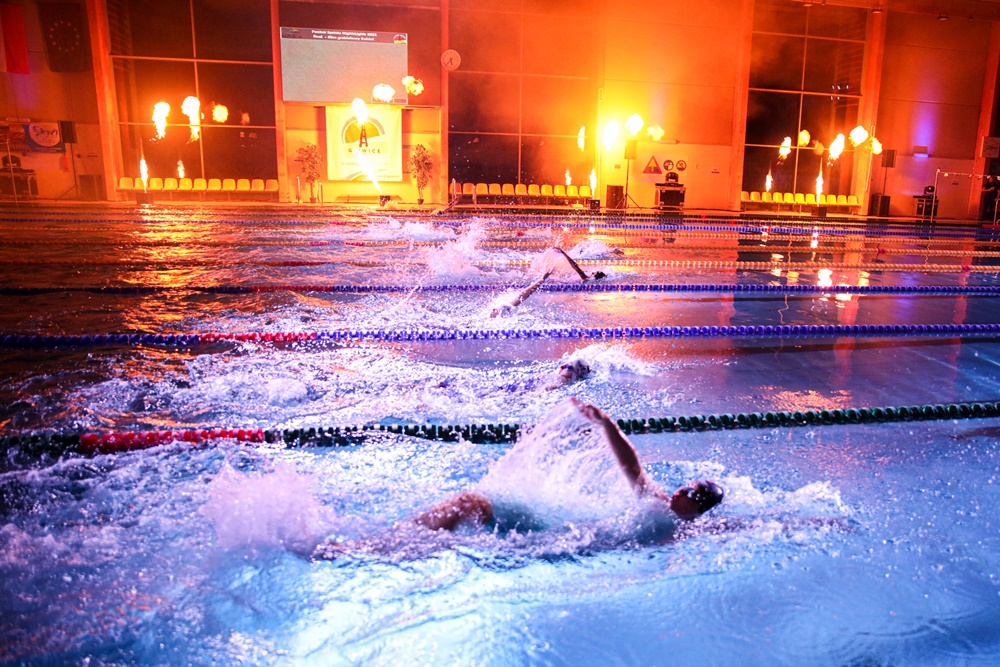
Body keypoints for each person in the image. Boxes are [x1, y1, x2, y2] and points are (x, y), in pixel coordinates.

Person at [412, 398, 723, 533]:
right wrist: (606, 423)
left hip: (552, 535)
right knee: (470, 502)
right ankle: (410, 537)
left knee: (470, 502)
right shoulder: (657, 504)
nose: (681, 490)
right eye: (686, 486)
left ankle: (407, 540)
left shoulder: (674, 528)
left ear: (697, 507)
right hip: (560, 525)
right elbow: (632, 465)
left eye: (690, 492)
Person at [488, 247, 605, 318]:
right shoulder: (586, 280)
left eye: (595, 272)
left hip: (554, 283)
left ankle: (542, 279)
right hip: (557, 283)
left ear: (594, 276)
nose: (593, 271)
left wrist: (564, 253)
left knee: (525, 293)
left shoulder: (586, 278)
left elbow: (575, 266)